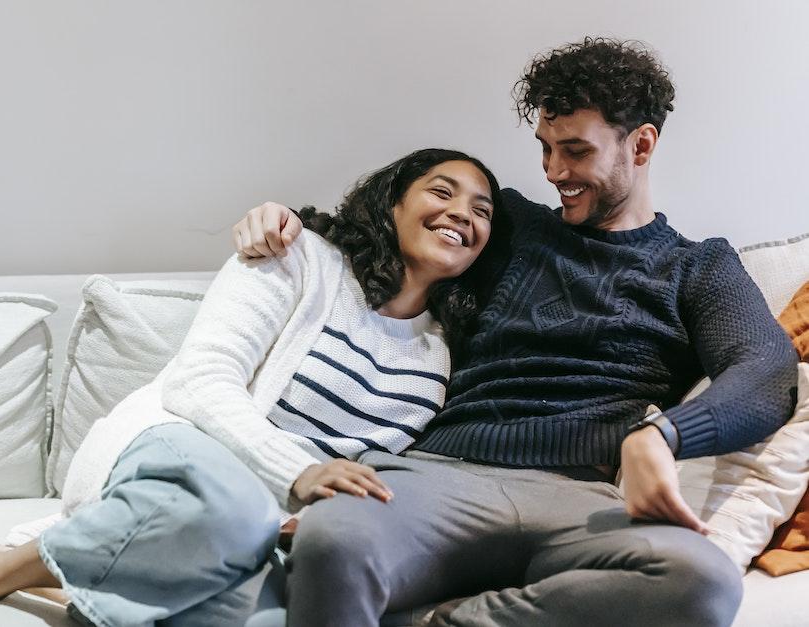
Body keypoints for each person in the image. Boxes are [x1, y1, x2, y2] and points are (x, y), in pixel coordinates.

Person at [232, 38, 799, 627]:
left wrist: (662, 437)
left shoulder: (698, 267)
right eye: (546, 149)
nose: (555, 172)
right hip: (441, 475)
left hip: (585, 502)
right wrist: (284, 223)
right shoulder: (508, 224)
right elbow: (383, 232)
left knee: (700, 581)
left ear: (642, 143)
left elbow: (768, 371)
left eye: (575, 151)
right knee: (332, 540)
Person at [0, 148, 506, 626]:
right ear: (392, 201)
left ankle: (75, 586)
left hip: (272, 524)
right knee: (233, 510)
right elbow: (201, 383)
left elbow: (370, 466)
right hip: (176, 447)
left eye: (481, 211)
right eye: (441, 191)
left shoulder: (439, 355)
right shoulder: (298, 256)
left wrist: (310, 515)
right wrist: (297, 475)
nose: (461, 214)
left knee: (277, 619)